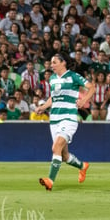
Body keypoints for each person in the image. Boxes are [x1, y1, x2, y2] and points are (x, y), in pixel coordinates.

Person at [36, 54, 95, 191]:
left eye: (54, 62)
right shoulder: (52, 79)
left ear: (63, 63)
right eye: (51, 62)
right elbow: (53, 97)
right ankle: (82, 166)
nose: (52, 65)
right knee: (63, 155)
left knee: (55, 147)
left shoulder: (73, 76)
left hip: (68, 118)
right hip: (54, 119)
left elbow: (91, 87)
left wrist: (84, 100)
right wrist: (43, 107)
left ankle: (50, 180)